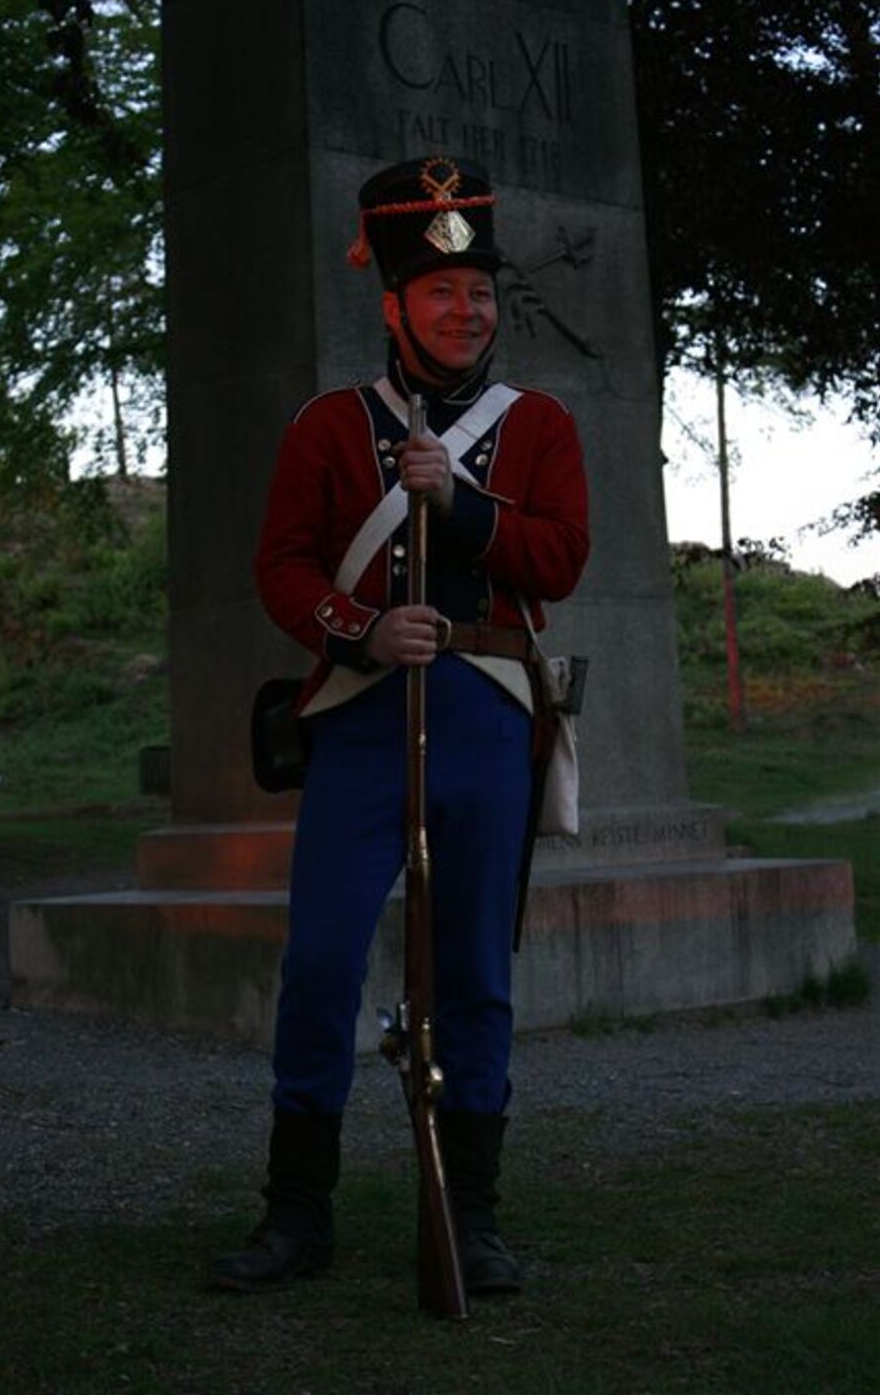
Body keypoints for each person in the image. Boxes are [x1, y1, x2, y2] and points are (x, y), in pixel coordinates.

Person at [211, 156, 589, 1296]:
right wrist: (362, 630)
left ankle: (468, 1216)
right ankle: (297, 1213)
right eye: (439, 293)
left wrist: (460, 505)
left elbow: (560, 558)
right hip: (363, 722)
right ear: (393, 305)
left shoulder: (539, 426)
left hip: (488, 718)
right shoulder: (329, 425)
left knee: (473, 970)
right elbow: (281, 566)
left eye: (478, 292)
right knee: (323, 959)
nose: (464, 311)